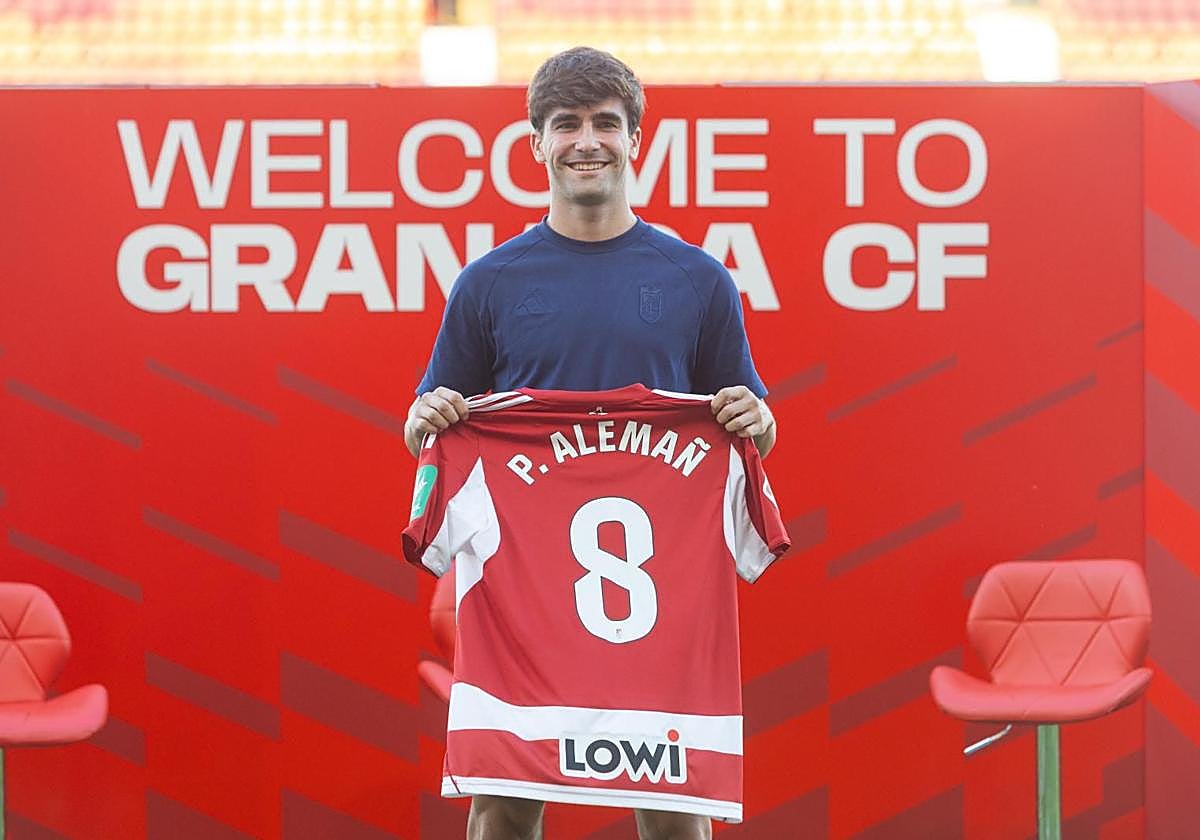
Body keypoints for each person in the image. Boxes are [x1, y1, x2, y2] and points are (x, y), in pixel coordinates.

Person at [404, 46, 776, 840]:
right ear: (535, 142)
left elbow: (748, 425)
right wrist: (423, 422)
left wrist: (759, 421)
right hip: (522, 591)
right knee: (504, 798)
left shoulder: (698, 279)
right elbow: (431, 426)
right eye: (565, 124)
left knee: (675, 805)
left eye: (606, 123)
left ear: (636, 139)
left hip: (660, 597)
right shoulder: (491, 283)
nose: (587, 141)